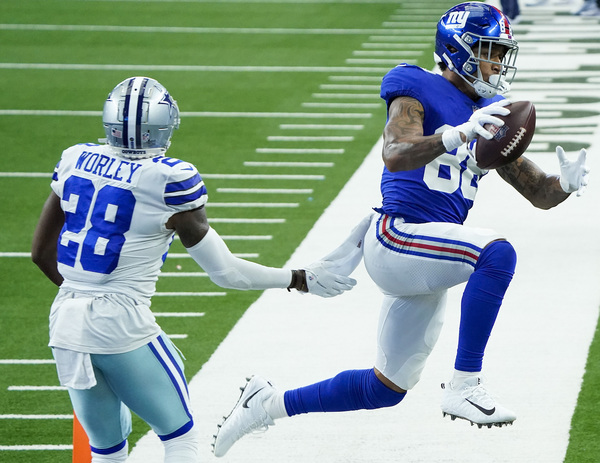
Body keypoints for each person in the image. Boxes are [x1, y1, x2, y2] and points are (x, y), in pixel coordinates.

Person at [212, 2, 590, 457]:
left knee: (385, 388)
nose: (497, 62)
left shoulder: (490, 112)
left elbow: (538, 192)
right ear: (458, 50)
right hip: (398, 235)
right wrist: (456, 134)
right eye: (489, 51)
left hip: (427, 252)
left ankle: (266, 404)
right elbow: (395, 152)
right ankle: (465, 383)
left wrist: (564, 184)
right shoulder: (415, 87)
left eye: (501, 53)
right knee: (497, 252)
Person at [30, 76, 356, 463]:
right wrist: (298, 278)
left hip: (65, 320)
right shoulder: (169, 179)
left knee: (107, 450)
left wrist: (83, 296)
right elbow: (226, 272)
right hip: (119, 320)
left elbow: (40, 252)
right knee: (179, 437)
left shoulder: (75, 158)